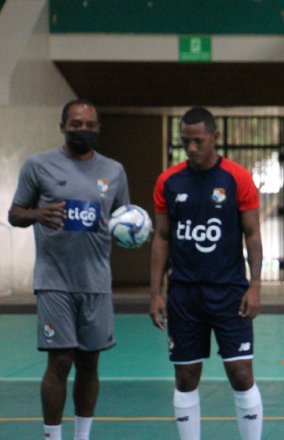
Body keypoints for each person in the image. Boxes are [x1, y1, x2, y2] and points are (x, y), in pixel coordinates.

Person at [8, 99, 130, 440]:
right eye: (76, 124)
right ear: (63, 127)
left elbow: (122, 222)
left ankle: (82, 436)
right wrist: (38, 215)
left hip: (96, 283)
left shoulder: (114, 171)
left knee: (89, 364)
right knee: (60, 360)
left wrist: (130, 234)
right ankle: (52, 436)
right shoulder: (38, 166)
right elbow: (15, 214)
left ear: (98, 129)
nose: (84, 130)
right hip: (54, 281)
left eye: (90, 124)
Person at [149, 106, 263, 440]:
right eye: (185, 141)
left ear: (214, 137)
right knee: (185, 378)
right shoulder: (169, 181)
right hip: (184, 294)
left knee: (241, 373)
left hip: (229, 291)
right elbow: (162, 237)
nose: (192, 148)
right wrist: (156, 292)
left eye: (198, 141)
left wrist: (255, 285)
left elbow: (253, 235)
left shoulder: (237, 178)